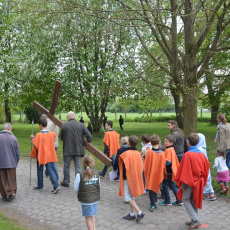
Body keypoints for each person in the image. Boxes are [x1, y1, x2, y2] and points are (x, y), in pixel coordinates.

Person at [175, 133, 209, 229]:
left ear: (187, 142)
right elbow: (206, 168)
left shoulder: (188, 155)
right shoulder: (201, 154)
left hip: (189, 181)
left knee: (185, 199)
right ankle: (193, 220)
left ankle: (195, 220)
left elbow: (185, 171)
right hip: (199, 181)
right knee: (193, 201)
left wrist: (183, 185)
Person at [60, 111, 92, 187]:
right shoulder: (81, 125)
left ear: (68, 117)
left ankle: (66, 182)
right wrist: (87, 143)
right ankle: (79, 182)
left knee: (66, 166)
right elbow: (89, 135)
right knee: (78, 167)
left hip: (67, 149)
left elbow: (62, 137)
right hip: (78, 149)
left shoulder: (64, 125)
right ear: (74, 116)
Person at [119, 135, 145, 222]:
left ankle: (139, 212)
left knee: (126, 197)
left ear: (128, 143)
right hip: (135, 177)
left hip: (127, 178)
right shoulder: (138, 154)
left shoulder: (125, 154)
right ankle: (132, 214)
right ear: (137, 144)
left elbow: (122, 167)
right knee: (132, 196)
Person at [30, 119, 60, 194]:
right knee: (50, 169)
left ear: (40, 125)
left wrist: (32, 138)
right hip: (49, 154)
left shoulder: (38, 135)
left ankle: (40, 185)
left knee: (40, 169)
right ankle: (56, 185)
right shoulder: (52, 134)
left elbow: (36, 144)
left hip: (41, 154)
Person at [74, 155, 100, 230]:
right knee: (92, 215)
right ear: (93, 163)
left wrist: (80, 194)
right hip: (95, 199)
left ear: (82, 163)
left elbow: (76, 188)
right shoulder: (96, 173)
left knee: (88, 217)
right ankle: (94, 228)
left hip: (85, 200)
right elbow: (99, 185)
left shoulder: (79, 174)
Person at [160, 134, 182, 206]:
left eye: (166, 141)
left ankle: (167, 201)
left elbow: (168, 161)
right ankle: (179, 200)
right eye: (165, 141)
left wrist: (161, 163)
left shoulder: (168, 150)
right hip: (172, 171)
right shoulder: (172, 149)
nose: (165, 142)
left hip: (168, 171)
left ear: (171, 143)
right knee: (172, 185)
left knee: (165, 185)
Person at [144, 134, 165, 212]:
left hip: (151, 173)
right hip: (158, 173)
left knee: (151, 188)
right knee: (156, 187)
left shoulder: (149, 152)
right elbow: (163, 165)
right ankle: (155, 202)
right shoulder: (162, 153)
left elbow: (146, 164)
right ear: (159, 143)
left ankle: (153, 204)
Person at [0, 123, 20, 202]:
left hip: (1, 162)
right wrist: (16, 161)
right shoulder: (13, 138)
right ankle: (11, 193)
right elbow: (17, 153)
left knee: (2, 179)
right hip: (11, 162)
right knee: (11, 179)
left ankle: (4, 195)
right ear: (9, 129)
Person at [196, 133, 216, 201]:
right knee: (207, 178)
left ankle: (210, 194)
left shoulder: (199, 149)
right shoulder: (203, 147)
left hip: (202, 166)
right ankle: (210, 193)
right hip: (205, 166)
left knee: (206, 179)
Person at [40, 114, 59, 180]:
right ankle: (47, 173)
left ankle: (56, 177)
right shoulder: (54, 122)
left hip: (50, 145)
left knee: (51, 162)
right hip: (56, 144)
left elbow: (45, 135)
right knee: (50, 161)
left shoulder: (48, 124)